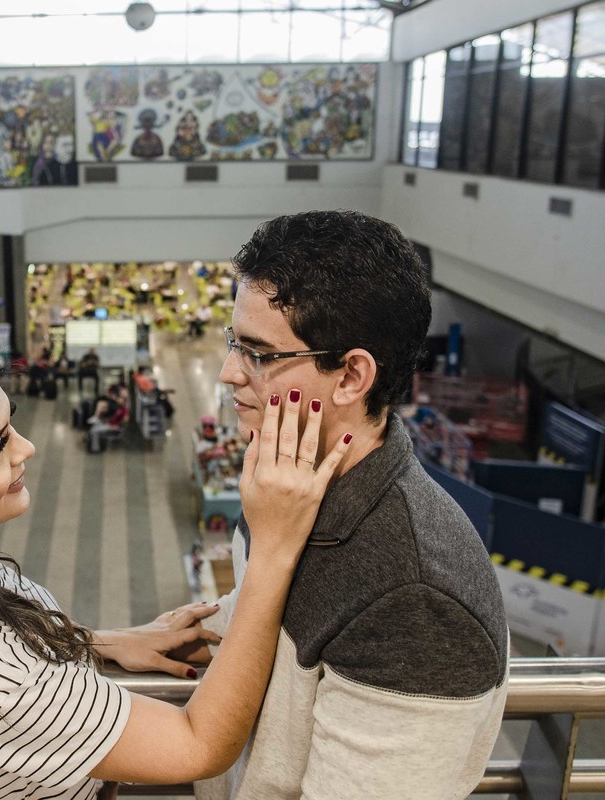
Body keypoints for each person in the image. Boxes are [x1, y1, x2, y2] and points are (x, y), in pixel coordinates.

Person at [0, 333, 351, 800]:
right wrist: (275, 550)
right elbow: (199, 746)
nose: (26, 450)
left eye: (12, 428)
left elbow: (7, 648)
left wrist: (96, 642)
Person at [197, 210, 509, 800]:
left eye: (259, 355)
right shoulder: (284, 483)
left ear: (350, 376)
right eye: (234, 343)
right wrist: (202, 629)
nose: (228, 373)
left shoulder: (416, 600)